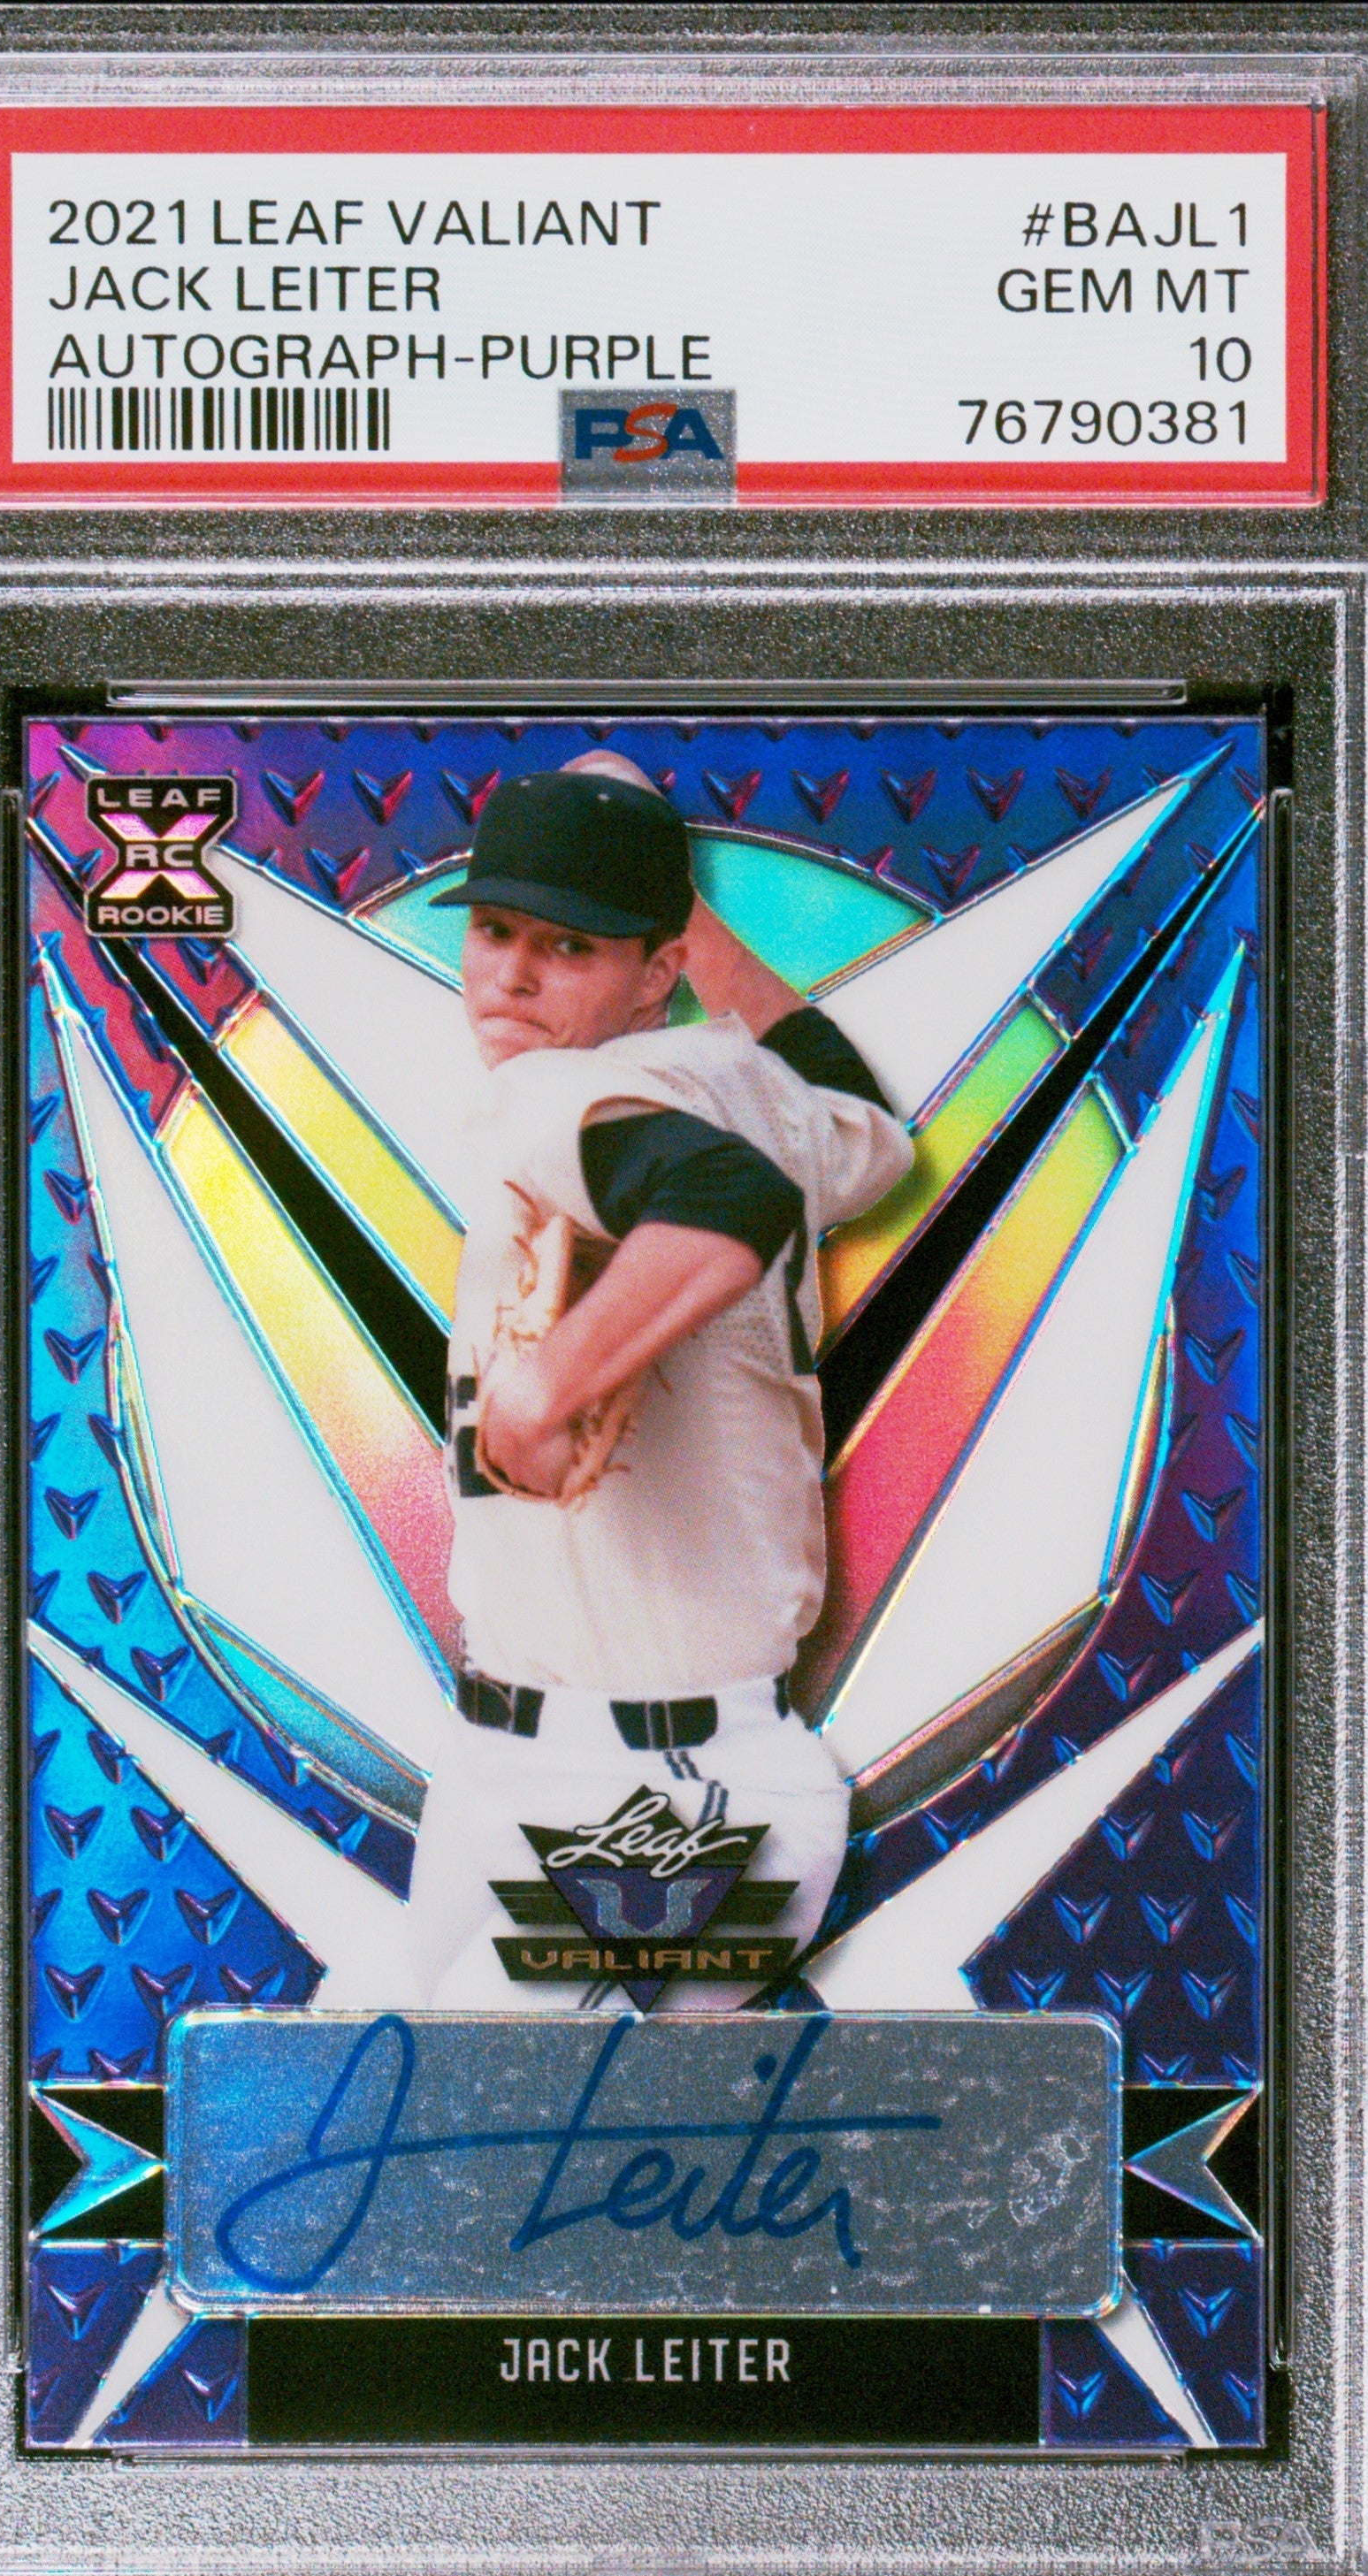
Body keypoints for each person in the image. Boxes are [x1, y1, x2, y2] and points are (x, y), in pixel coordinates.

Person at [404, 751, 913, 2010]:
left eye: (570, 946)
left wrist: (548, 1385)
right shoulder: (758, 1091)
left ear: (655, 973)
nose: (514, 975)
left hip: (657, 1803)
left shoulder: (554, 1092)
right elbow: (862, 1121)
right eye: (496, 929)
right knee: (367, 2099)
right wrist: (664, 894)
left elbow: (721, 1195)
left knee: (467, 2120)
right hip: (530, 1765)